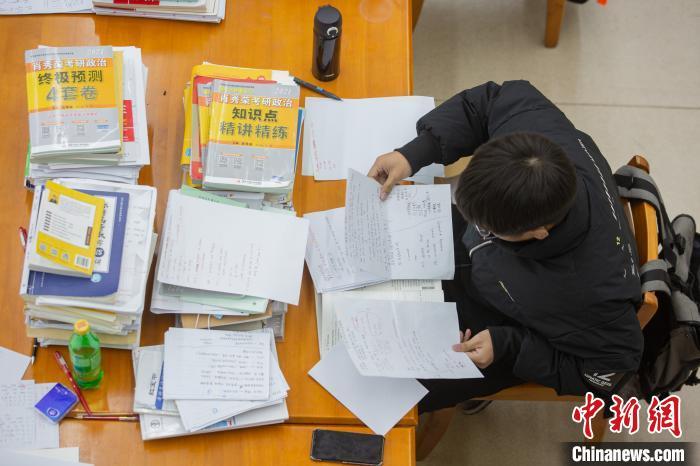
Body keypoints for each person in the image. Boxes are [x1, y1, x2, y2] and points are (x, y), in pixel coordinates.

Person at [367, 80, 643, 414]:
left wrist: (509, 345)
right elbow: (488, 103)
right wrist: (414, 154)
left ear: (538, 232)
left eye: (489, 228)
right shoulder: (539, 139)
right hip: (491, 268)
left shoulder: (594, 297)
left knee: (384, 382)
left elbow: (605, 375)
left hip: (503, 323)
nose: (480, 228)